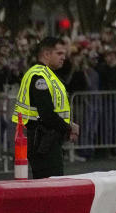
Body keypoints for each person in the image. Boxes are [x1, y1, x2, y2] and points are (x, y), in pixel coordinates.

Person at [12, 36, 80, 179]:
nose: (63, 57)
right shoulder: (39, 76)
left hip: (47, 138)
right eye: (59, 53)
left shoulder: (47, 74)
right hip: (42, 139)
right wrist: (69, 127)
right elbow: (47, 114)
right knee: (51, 187)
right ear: (47, 54)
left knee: (49, 187)